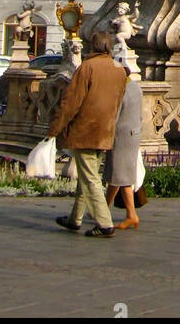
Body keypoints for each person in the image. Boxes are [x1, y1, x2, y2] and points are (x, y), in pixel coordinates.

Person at [49, 30, 127, 238]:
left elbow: (71, 102)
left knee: (90, 177)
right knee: (88, 173)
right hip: (105, 130)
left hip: (85, 130)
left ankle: (104, 223)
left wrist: (55, 128)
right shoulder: (119, 70)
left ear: (92, 46)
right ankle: (75, 218)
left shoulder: (87, 67)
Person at [105, 59, 144, 231]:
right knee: (117, 173)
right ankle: (103, 208)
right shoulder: (135, 87)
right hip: (133, 134)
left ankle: (131, 215)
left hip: (121, 136)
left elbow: (113, 115)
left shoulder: (120, 90)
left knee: (123, 177)